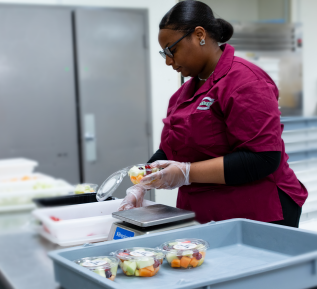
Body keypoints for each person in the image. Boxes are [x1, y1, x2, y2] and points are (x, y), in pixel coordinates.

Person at [119, 0, 307, 228]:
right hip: (203, 211)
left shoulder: (246, 81)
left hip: (256, 211)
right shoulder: (183, 94)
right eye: (164, 54)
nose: (169, 61)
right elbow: (168, 150)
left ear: (199, 35)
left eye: (172, 50)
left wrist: (187, 172)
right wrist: (142, 183)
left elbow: (263, 159)